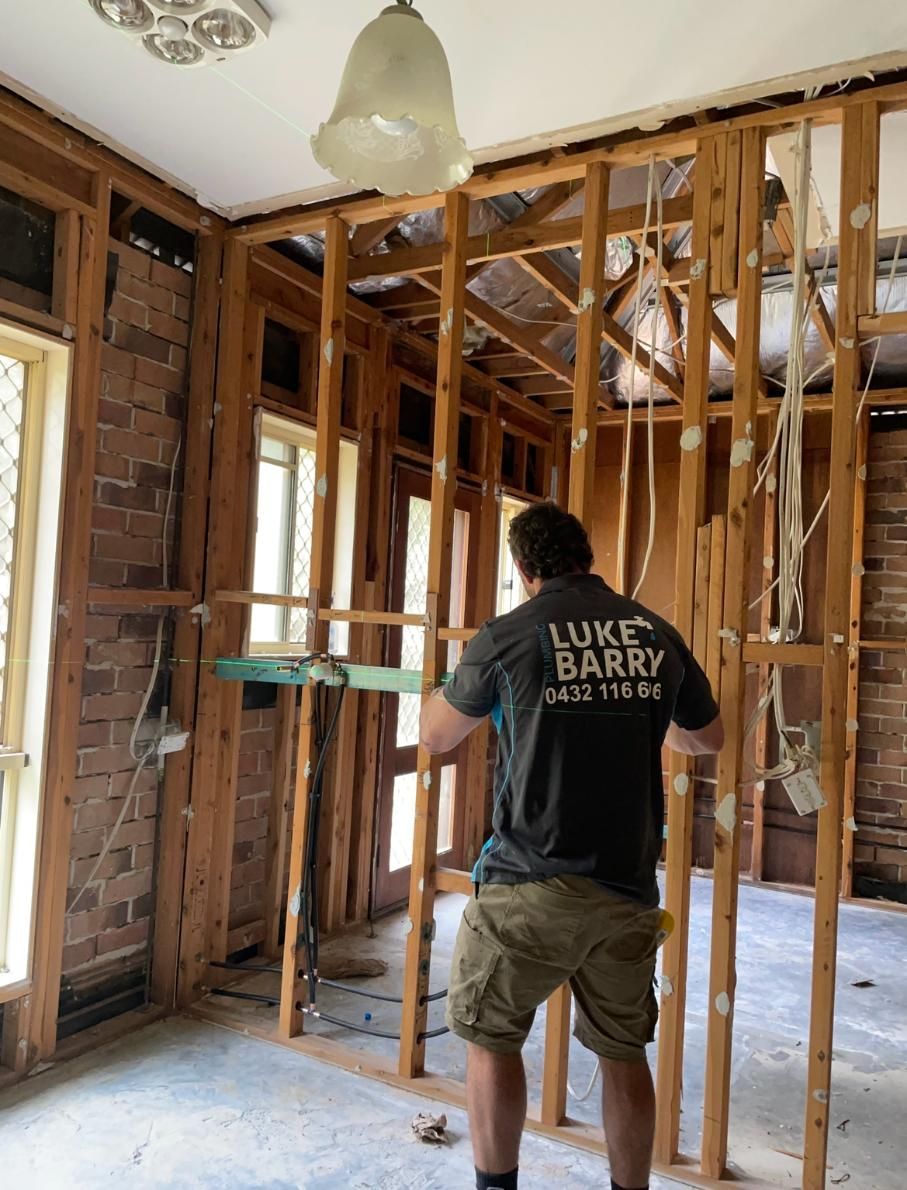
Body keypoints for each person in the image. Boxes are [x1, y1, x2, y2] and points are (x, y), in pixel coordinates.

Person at [419, 501, 723, 1190]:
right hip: (625, 888)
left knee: (491, 1038)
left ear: (522, 568)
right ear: (586, 556)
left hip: (528, 883)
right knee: (622, 1053)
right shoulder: (654, 632)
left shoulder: (508, 634)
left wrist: (440, 686)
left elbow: (437, 735)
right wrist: (646, 717)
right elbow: (706, 738)